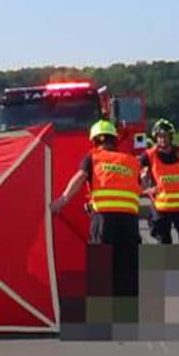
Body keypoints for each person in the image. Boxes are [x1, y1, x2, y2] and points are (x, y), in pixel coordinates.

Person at [50, 119, 141, 297]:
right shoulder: (131, 160)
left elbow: (81, 177)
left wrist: (61, 201)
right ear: (114, 139)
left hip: (104, 220)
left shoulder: (93, 157)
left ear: (94, 140)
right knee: (128, 265)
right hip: (129, 220)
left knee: (101, 264)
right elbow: (135, 186)